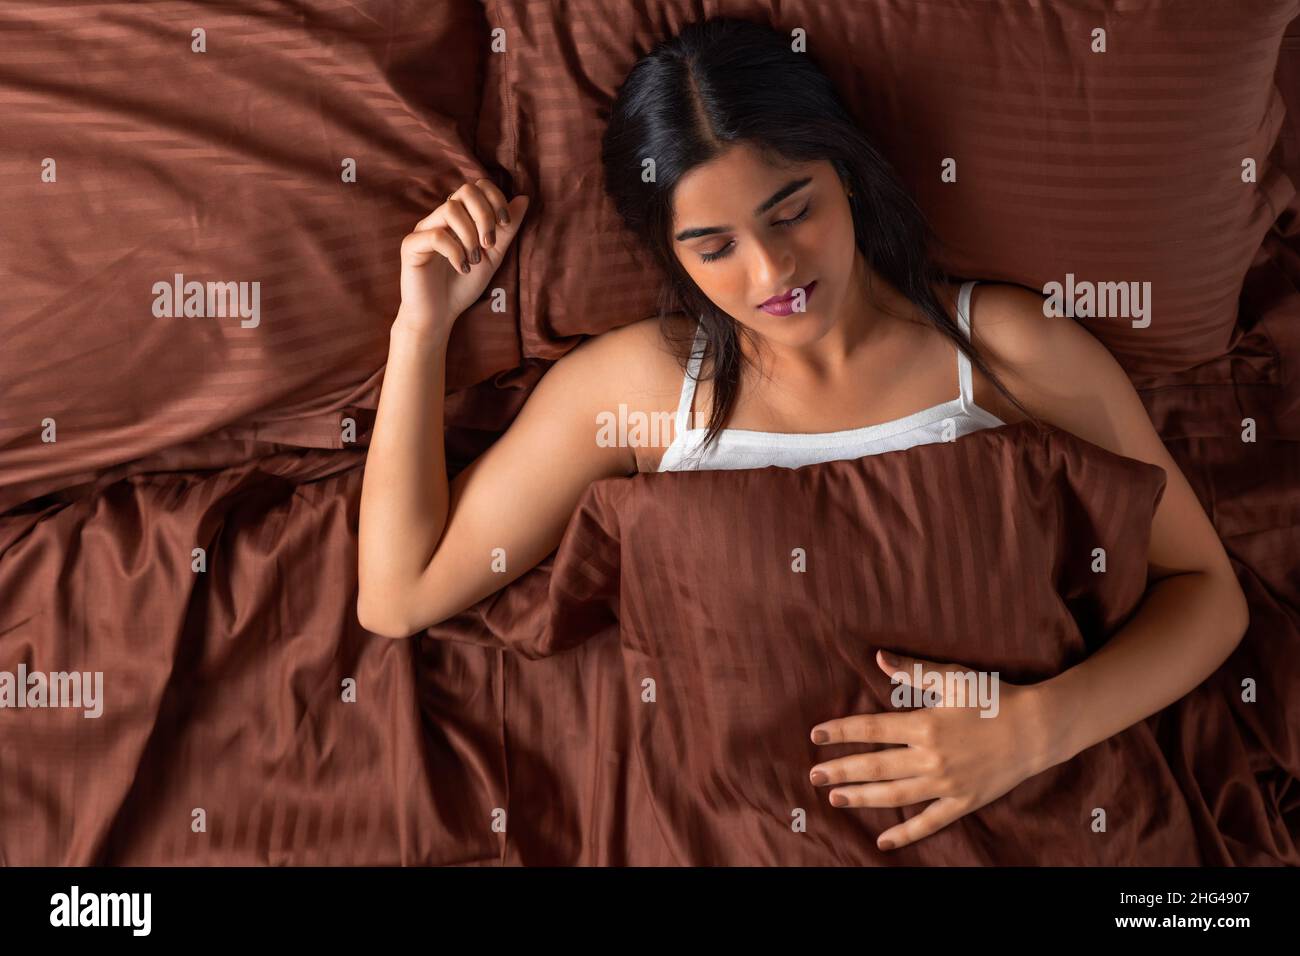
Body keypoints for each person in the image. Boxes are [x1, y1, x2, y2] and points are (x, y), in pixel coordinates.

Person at [358, 17, 1247, 852]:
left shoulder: (1009, 352)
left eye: (792, 211)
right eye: (714, 247)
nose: (773, 270)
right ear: (672, 256)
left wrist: (1032, 731)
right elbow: (399, 596)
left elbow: (1208, 591)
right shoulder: (636, 387)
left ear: (848, 174)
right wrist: (421, 329)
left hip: (1039, 812)